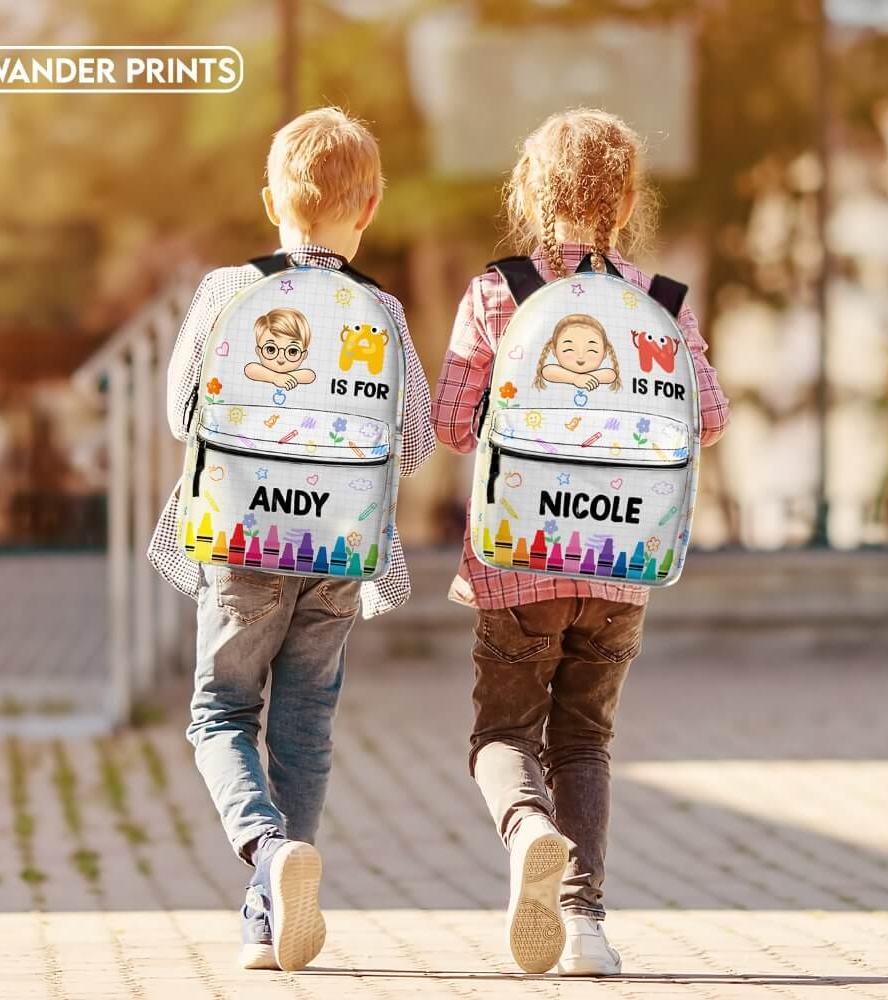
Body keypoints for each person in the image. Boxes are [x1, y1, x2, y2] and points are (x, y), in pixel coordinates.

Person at [431, 108, 730, 977]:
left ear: (528, 192)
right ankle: (587, 925)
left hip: (517, 559)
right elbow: (708, 419)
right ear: (628, 198)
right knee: (585, 743)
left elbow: (454, 424)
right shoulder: (659, 305)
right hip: (622, 563)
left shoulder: (498, 293)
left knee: (503, 736)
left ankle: (529, 831)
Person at [148, 106, 435, 972]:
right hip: (339, 549)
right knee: (306, 725)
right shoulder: (379, 309)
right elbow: (415, 440)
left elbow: (179, 414)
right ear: (371, 205)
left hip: (241, 541)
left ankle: (268, 857)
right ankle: (271, 906)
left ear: (271, 197)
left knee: (220, 713)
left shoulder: (227, 292)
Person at [244, 307, 317, 388]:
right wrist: (275, 378)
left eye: (292, 351)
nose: (281, 358)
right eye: (271, 349)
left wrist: (282, 377)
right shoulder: (256, 370)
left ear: (304, 355)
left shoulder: (304, 374)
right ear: (258, 351)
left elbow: (310, 375)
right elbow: (250, 369)